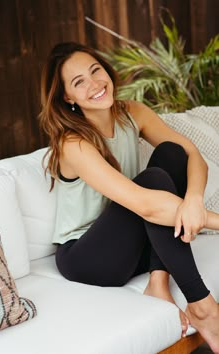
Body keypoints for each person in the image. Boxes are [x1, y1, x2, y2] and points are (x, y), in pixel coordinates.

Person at [39, 42, 219, 353]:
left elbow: (193, 155)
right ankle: (202, 304)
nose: (95, 84)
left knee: (172, 154)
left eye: (96, 70)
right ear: (67, 97)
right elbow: (146, 204)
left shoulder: (132, 112)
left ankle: (158, 283)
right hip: (87, 258)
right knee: (153, 181)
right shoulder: (73, 143)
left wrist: (192, 200)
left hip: (133, 243)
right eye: (79, 82)